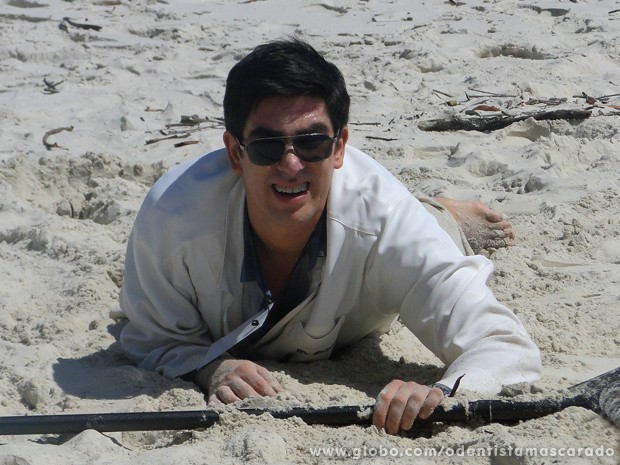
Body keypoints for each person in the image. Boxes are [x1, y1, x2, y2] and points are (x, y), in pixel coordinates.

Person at [119, 38, 541, 435]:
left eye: (312, 142)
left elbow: (503, 346)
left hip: (377, 249)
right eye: (267, 145)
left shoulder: (386, 219)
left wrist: (445, 394)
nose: (291, 163)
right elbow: (152, 338)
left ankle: (442, 214)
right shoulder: (172, 217)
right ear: (234, 152)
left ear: (340, 148)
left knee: (427, 231)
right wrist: (208, 366)